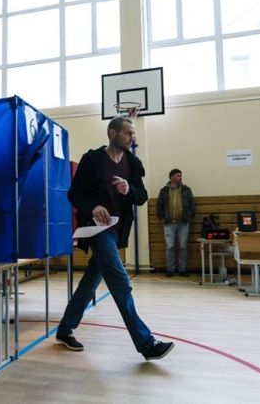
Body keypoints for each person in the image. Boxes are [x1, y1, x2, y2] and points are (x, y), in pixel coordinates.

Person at [56, 116, 175, 361]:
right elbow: (74, 194)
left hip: (117, 230)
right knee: (121, 282)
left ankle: (65, 329)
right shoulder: (92, 160)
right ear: (112, 133)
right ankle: (146, 344)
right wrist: (93, 207)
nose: (132, 137)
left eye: (133, 133)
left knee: (89, 283)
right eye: (128, 133)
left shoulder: (133, 163)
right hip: (97, 230)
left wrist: (129, 190)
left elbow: (142, 196)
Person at [156, 168, 196, 277]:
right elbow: (159, 205)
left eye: (181, 175)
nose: (180, 177)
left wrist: (189, 216)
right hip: (169, 223)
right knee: (170, 246)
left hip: (184, 223)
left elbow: (192, 204)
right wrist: (162, 218)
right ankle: (170, 269)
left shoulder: (186, 190)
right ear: (171, 177)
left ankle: (183, 269)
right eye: (178, 175)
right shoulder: (164, 190)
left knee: (183, 246)